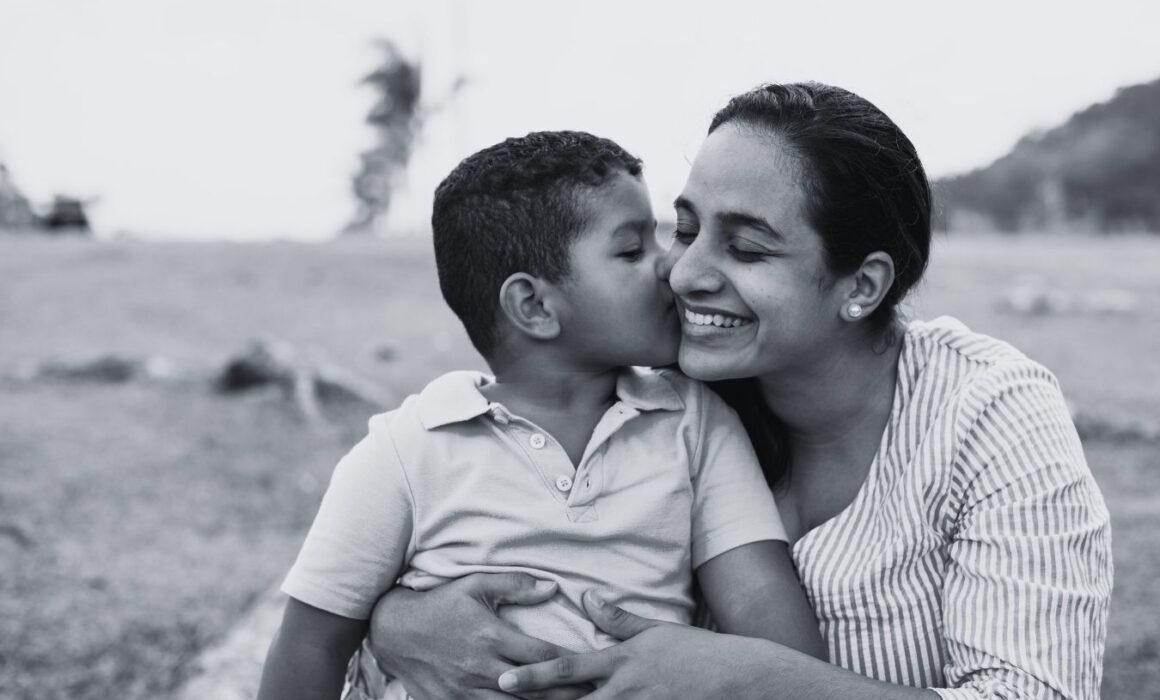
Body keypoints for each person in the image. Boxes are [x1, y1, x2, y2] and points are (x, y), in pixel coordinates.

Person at [365, 83, 1113, 699]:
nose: (684, 273)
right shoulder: (647, 403)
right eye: (683, 230)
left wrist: (752, 681)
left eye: (747, 248)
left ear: (862, 285)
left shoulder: (988, 412)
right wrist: (397, 617)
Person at [256, 130, 825, 700]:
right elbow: (312, 642)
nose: (669, 267)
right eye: (631, 250)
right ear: (533, 306)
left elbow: (761, 607)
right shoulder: (409, 448)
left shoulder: (694, 424)